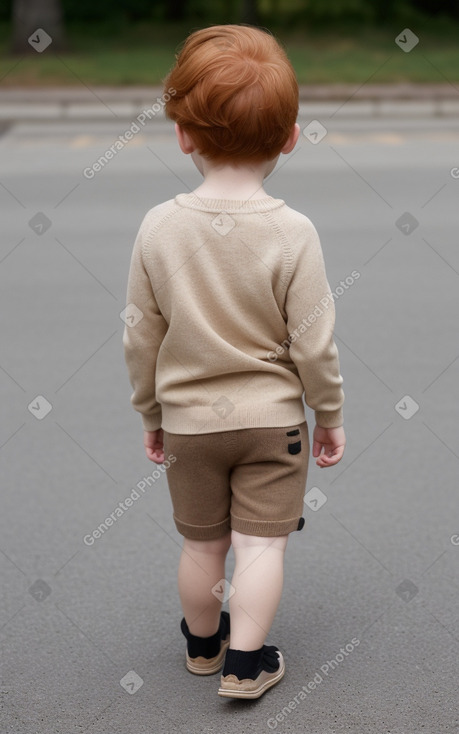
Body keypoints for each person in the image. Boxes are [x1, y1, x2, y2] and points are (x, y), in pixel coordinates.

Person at [123, 23, 346, 700]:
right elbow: (313, 343)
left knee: (202, 547)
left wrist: (152, 412)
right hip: (272, 425)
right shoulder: (292, 231)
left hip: (190, 424)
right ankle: (246, 666)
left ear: (182, 135)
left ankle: (201, 647)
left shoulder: (158, 226)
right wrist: (328, 414)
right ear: (289, 136)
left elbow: (140, 335)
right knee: (261, 547)